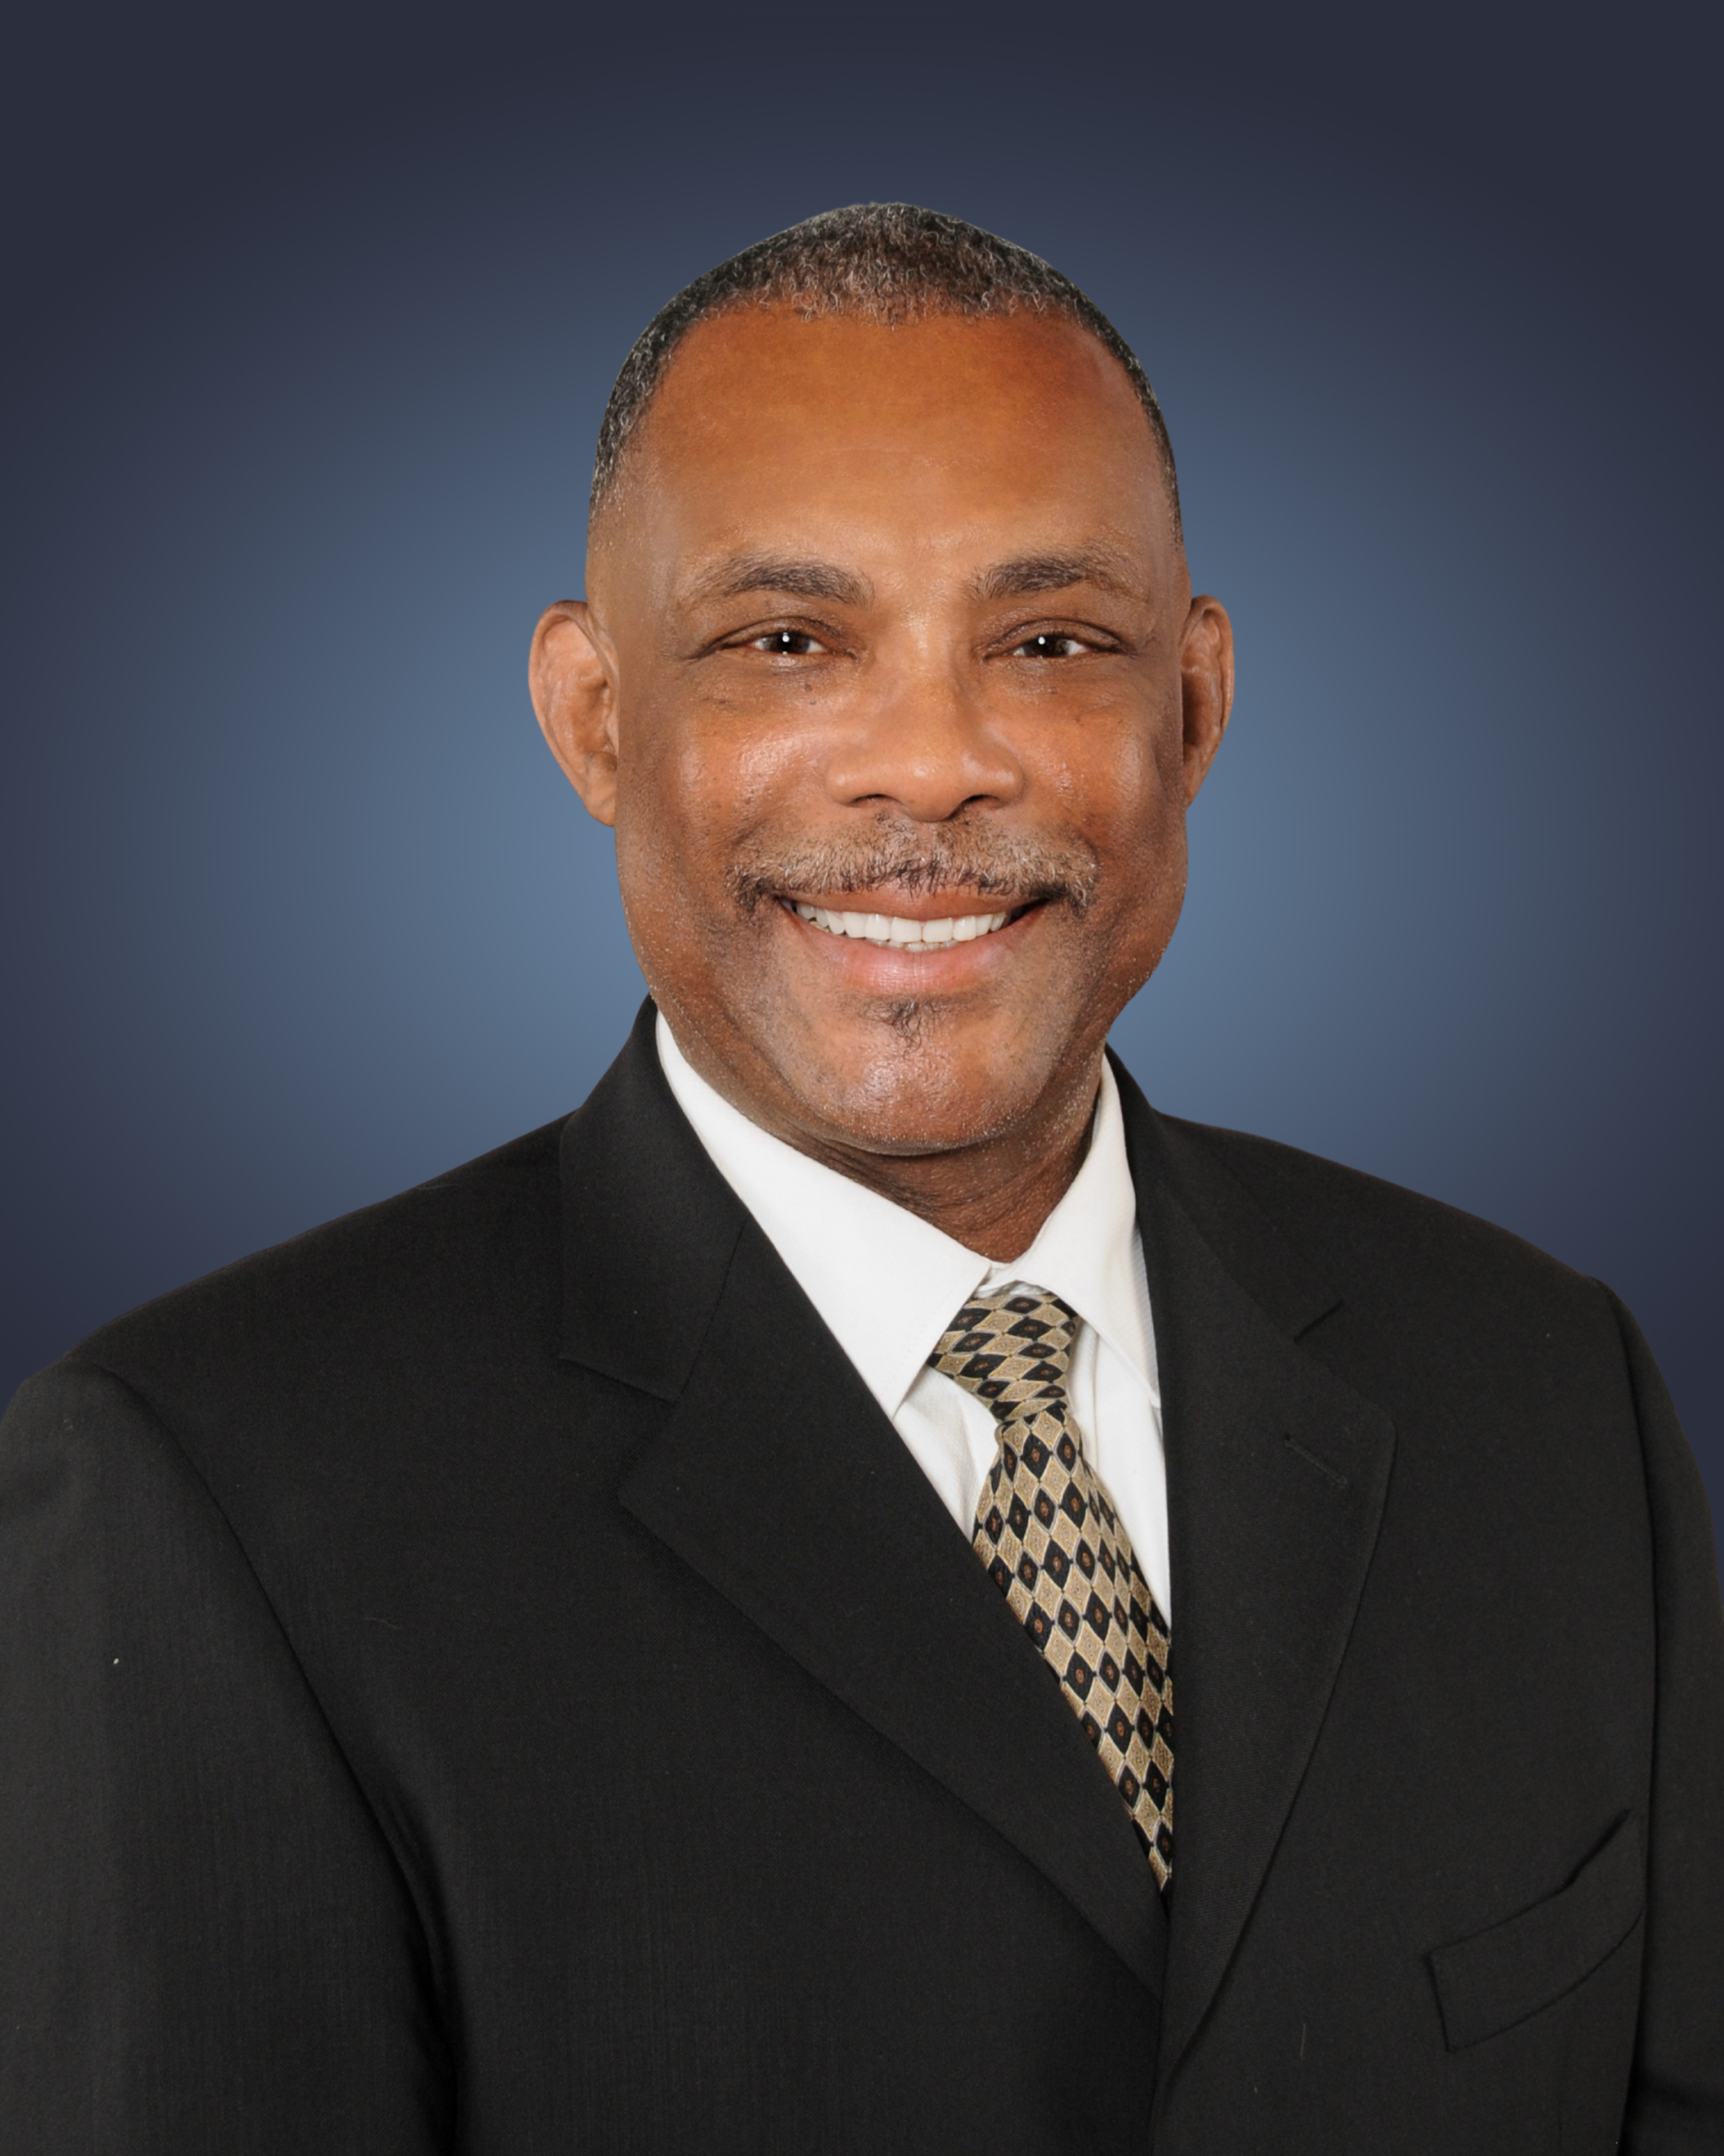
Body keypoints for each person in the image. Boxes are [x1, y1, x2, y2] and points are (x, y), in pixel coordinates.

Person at [2, 203, 1719, 2155]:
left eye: (1050, 640)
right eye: (785, 641)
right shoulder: (205, 1489)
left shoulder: (1540, 1380)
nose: (929, 765)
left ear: (1192, 706)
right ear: (593, 716)